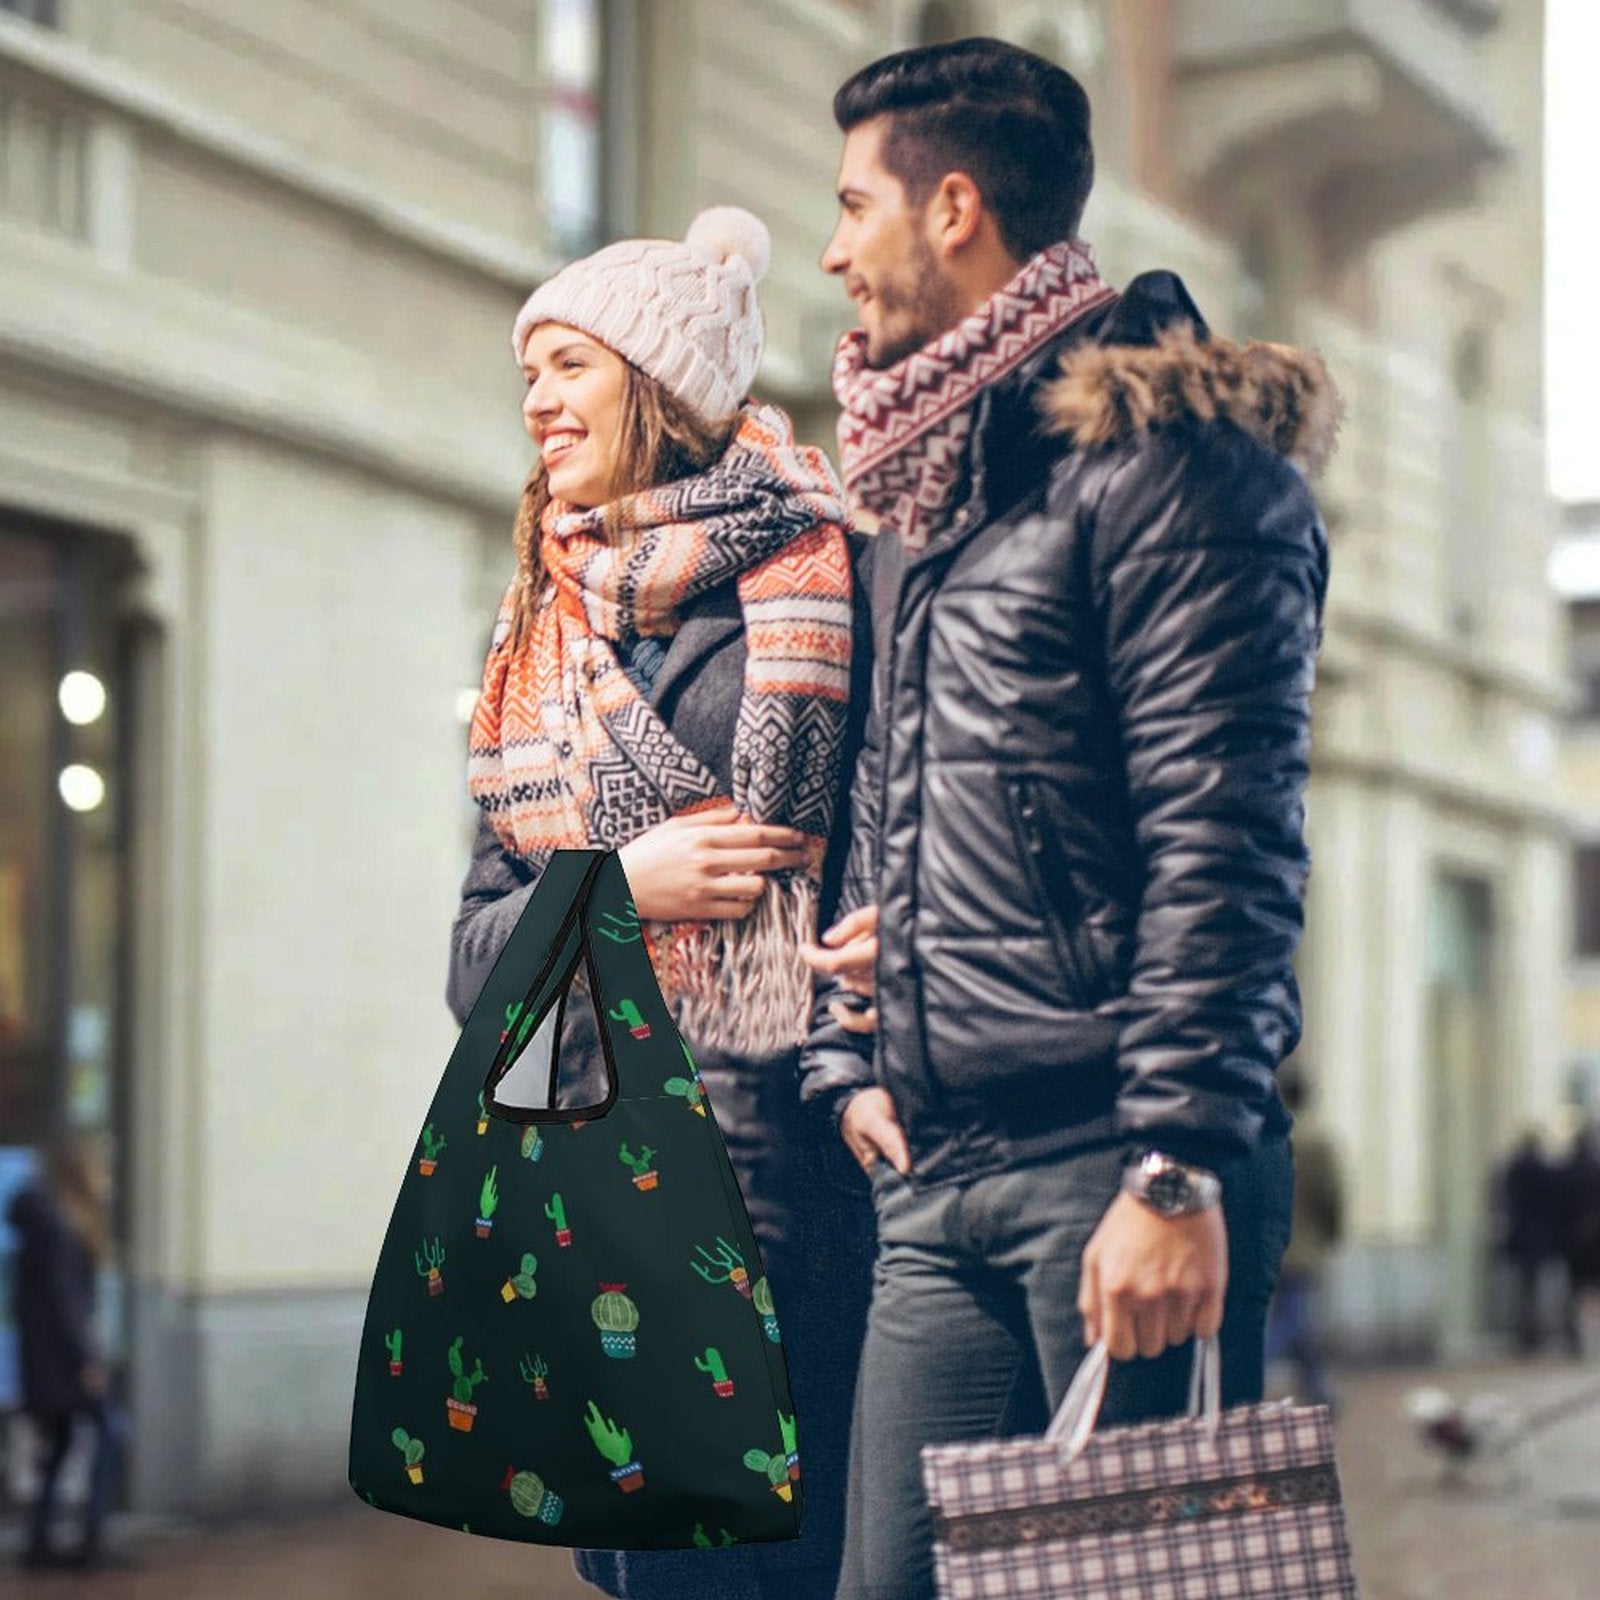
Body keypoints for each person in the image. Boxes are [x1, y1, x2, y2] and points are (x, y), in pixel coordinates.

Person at [796, 38, 1338, 1600]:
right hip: (938, 1179)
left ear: (952, 206)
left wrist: (1174, 1168)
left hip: (1113, 1165)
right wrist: (848, 1054)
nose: (833, 250)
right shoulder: (933, 497)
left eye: (852, 207)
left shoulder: (1173, 471)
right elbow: (899, 824)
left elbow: (1222, 844)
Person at [449, 206, 875, 1600]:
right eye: (530, 374)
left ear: (661, 384)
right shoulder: (534, 634)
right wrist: (619, 889)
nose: (537, 402)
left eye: (569, 365)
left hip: (789, 1173)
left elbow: (877, 858)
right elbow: (471, 964)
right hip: (598, 1182)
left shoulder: (819, 579)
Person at [6, 1134, 129, 1572]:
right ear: (84, 1172)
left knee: (60, 1444)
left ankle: (41, 1543)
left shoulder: (51, 1222)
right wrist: (86, 1363)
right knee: (111, 1432)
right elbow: (66, 1303)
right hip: (62, 1363)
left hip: (47, 1359)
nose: (108, 1180)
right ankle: (92, 1540)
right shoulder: (59, 1227)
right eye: (102, 1168)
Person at [1264, 1067, 1344, 1405]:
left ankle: (1318, 1388)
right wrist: (1334, 1231)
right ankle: (1260, 1369)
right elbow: (1331, 1193)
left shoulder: (1265, 1135)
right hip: (1304, 1244)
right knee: (1294, 1320)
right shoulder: (1316, 1141)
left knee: (1294, 1317)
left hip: (1270, 1242)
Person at [1496, 1128, 1563, 1355]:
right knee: (1533, 1286)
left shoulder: (1514, 1169)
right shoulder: (1545, 1170)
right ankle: (1533, 1332)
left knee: (1523, 1288)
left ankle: (1524, 1333)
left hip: (1520, 1235)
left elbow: (1503, 1199)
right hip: (1540, 1237)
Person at [1559, 1121, 1600, 1358]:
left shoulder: (1567, 1171)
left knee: (1575, 1289)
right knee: (1594, 1288)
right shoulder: (1596, 1170)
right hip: (1595, 1239)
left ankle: (1576, 1338)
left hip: (1573, 1240)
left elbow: (1559, 1207)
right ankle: (1591, 1337)